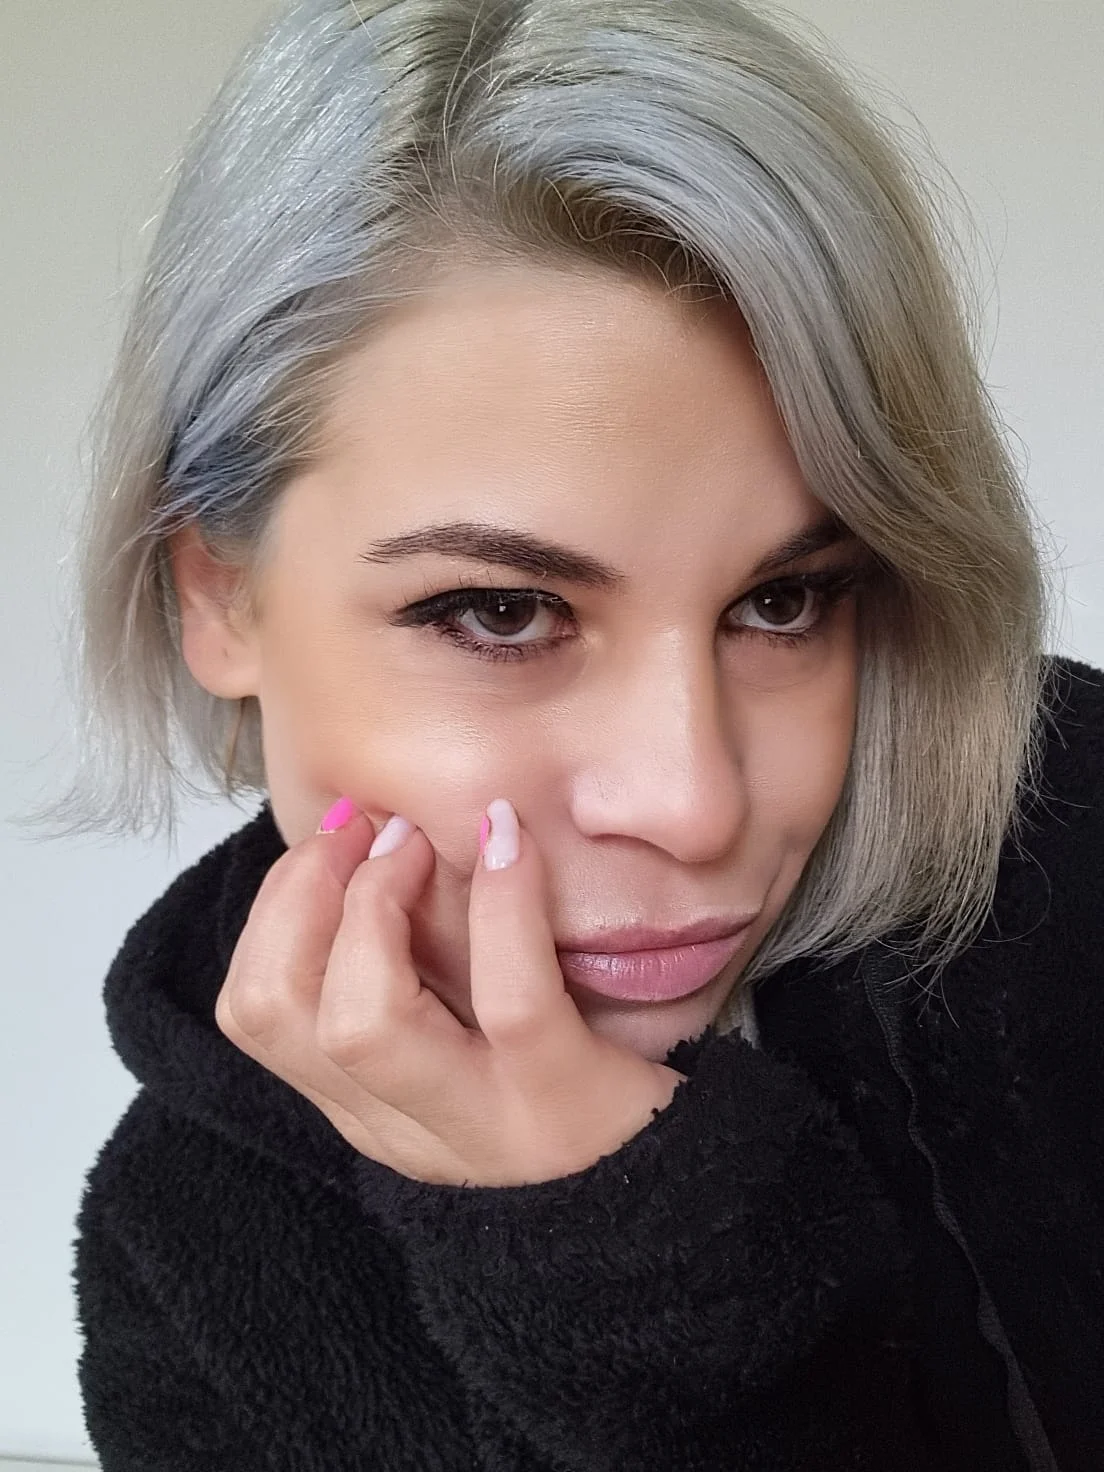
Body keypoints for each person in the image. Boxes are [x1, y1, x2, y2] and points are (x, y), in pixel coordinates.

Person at [41, 0, 1101, 1466]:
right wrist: (632, 1265)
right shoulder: (188, 1266)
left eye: (786, 599)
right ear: (220, 597)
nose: (694, 803)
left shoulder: (1071, 844)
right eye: (499, 612)